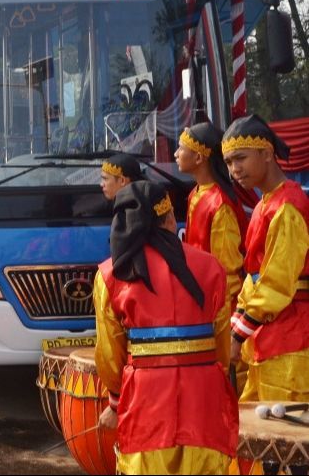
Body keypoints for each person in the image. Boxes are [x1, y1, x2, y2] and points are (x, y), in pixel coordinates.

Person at [93, 182, 237, 474]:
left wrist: (115, 401)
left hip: (146, 401)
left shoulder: (111, 275)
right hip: (204, 396)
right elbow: (222, 344)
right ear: (170, 218)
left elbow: (110, 351)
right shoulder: (211, 266)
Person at [222, 114, 309, 402]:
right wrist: (237, 328)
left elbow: (276, 282)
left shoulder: (288, 206)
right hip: (268, 336)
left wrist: (236, 335)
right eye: (229, 162)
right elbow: (253, 277)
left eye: (240, 158)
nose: (234, 169)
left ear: (267, 154)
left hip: (292, 339)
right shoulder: (264, 204)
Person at [175, 124, 248, 307]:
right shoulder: (196, 193)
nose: (176, 154)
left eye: (181, 148)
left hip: (220, 306)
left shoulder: (220, 204)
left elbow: (227, 270)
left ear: (199, 157)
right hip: (203, 297)